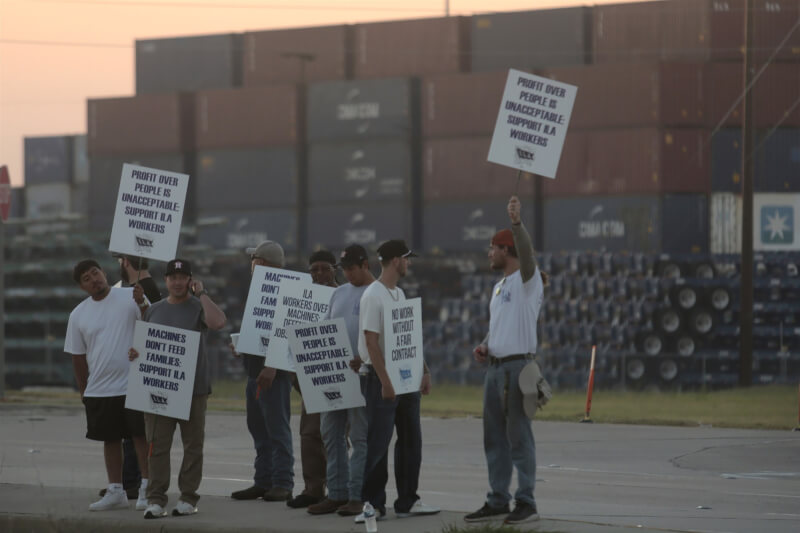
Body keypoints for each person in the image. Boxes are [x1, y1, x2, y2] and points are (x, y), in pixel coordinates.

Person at [465, 195, 545, 525]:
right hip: (496, 368)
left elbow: (527, 254)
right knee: (494, 438)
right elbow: (498, 327)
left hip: (518, 367)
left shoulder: (528, 280)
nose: (489, 253)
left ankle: (526, 501)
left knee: (519, 437)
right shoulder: (500, 287)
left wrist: (516, 224)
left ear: (506, 250)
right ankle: (498, 498)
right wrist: (485, 345)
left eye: (493, 248)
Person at [131, 258, 226, 519]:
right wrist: (136, 353)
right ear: (166, 281)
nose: (177, 282)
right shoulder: (155, 310)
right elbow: (146, 345)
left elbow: (218, 323)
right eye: (172, 277)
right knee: (157, 446)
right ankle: (156, 499)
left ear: (190, 280)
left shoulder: (199, 307)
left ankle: (188, 498)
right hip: (160, 389)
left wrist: (202, 293)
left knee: (192, 445)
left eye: (182, 277)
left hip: (193, 389)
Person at [357, 240, 439, 522]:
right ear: (395, 261)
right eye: (407, 258)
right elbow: (371, 341)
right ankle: (373, 505)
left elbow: (409, 338)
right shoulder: (373, 295)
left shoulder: (400, 294)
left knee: (410, 441)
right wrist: (385, 382)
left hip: (406, 379)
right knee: (377, 443)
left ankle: (407, 500)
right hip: (381, 380)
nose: (409, 263)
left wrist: (423, 370)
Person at [64, 259, 150, 511]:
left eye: (95, 273)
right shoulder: (78, 314)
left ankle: (147, 487)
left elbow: (152, 324)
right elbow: (77, 357)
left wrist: (142, 302)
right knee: (109, 439)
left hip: (133, 383)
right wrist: (84, 391)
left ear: (103, 273)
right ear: (82, 287)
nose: (94, 279)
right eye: (87, 279)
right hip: (100, 388)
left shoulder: (130, 296)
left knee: (140, 436)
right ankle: (115, 490)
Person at [307, 245, 373, 516]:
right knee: (331, 435)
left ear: (365, 265)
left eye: (352, 268)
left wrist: (365, 358)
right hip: (335, 374)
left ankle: (357, 495)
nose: (347, 274)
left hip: (365, 375)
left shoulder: (376, 292)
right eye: (344, 269)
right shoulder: (339, 293)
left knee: (359, 437)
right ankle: (336, 493)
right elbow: (324, 329)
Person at [230, 240, 295, 503]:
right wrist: (242, 346)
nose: (251, 264)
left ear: (264, 263)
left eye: (254, 259)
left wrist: (272, 366)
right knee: (258, 430)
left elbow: (285, 332)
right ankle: (263, 480)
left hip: (273, 376)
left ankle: (282, 482)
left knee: (277, 430)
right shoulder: (259, 291)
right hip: (254, 372)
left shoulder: (283, 291)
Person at [101, 253, 162, 501]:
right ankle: (131, 482)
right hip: (140, 367)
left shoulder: (140, 290)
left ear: (125, 262)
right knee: (134, 432)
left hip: (138, 368)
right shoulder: (151, 287)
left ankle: (130, 483)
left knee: (133, 433)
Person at [287, 249, 337, 509]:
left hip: (340, 377)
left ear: (335, 269)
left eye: (324, 268)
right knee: (309, 434)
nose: (319, 274)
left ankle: (338, 488)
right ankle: (313, 488)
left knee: (336, 436)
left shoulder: (344, 296)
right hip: (310, 376)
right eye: (314, 269)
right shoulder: (302, 301)